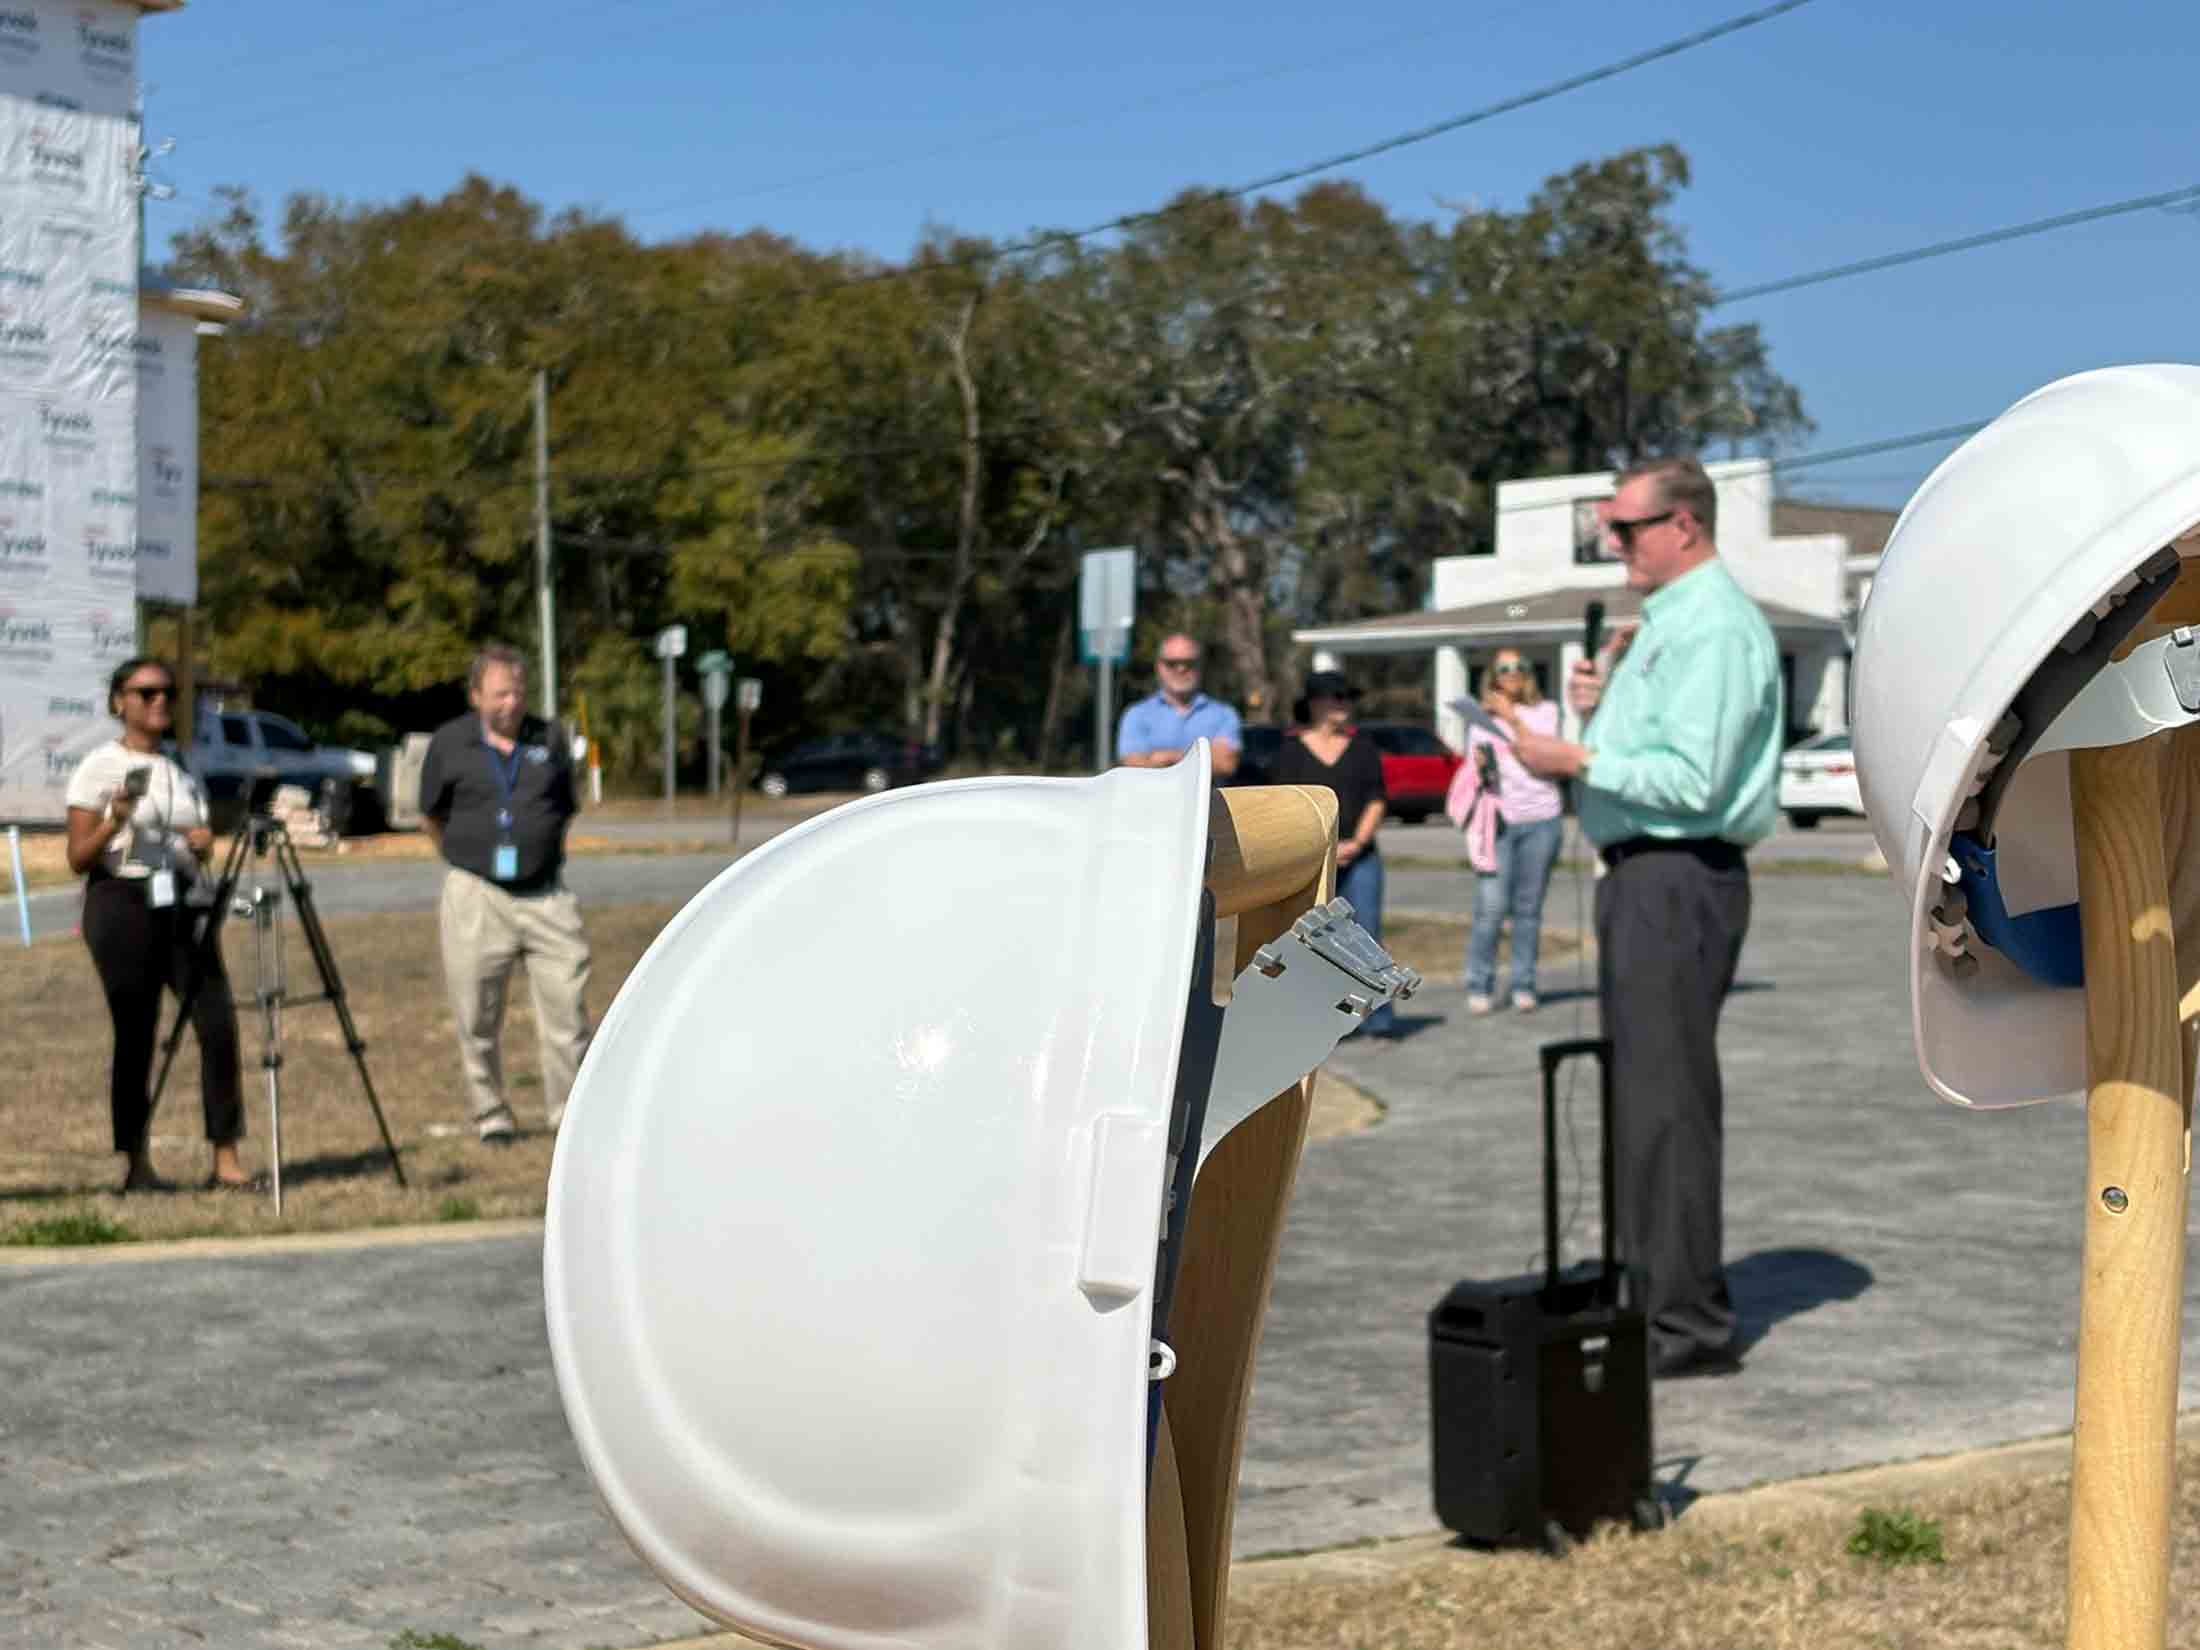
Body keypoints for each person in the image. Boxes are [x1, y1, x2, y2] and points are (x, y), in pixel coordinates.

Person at [1508, 457, 1781, 1380]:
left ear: (1684, 526)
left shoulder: (1711, 628)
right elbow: (1655, 752)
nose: (1612, 544)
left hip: (1677, 874)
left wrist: (1575, 762)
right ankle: (1650, 1292)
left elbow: (1694, 783)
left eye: (1625, 528)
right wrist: (1592, 722)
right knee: (1642, 1095)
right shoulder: (1665, 626)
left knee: (1665, 1101)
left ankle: (1686, 1323)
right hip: (1644, 874)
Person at [63, 656, 253, 1192]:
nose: (159, 702)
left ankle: (226, 1157)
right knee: (137, 1030)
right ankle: (137, 1162)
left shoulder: (180, 764)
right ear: (119, 701)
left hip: (182, 902)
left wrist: (204, 843)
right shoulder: (97, 766)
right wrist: (113, 823)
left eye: (167, 692)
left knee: (217, 1021)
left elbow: (198, 835)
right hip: (121, 901)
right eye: (145, 693)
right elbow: (77, 857)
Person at [419, 644, 593, 1146]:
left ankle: (569, 1116)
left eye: (519, 692)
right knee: (476, 1010)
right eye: (500, 694)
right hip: (477, 893)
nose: (512, 703)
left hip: (545, 895)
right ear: (476, 696)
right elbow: (431, 816)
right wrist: (464, 858)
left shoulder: (550, 738)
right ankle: (490, 1113)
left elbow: (565, 807)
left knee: (567, 1005)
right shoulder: (450, 744)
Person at [1268, 670, 1395, 1038]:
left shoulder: (1363, 748)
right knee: (1317, 940)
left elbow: (1377, 799)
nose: (1343, 705)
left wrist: (1357, 842)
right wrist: (1320, 849)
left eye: (1347, 698)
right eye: (1336, 696)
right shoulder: (1290, 752)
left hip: (1362, 857)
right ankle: (1328, 1021)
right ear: (1315, 702)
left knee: (1367, 935)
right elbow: (1284, 805)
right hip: (1311, 861)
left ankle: (1380, 1019)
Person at [1447, 650, 1565, 1015]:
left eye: (1519, 667)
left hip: (1542, 819)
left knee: (1528, 909)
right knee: (1492, 908)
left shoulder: (1547, 712)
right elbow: (1478, 772)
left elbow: (1546, 757)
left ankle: (1523, 984)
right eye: (1504, 669)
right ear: (1493, 678)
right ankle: (1480, 983)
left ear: (1529, 673)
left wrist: (1512, 719)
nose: (1512, 673)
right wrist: (1481, 767)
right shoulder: (1479, 721)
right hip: (1498, 821)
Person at [1115, 633, 1241, 778]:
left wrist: (1164, 757)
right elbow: (1133, 766)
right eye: (1171, 663)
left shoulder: (1224, 714)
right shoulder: (1136, 715)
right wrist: (1202, 760)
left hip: (1209, 799)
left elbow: (1226, 764)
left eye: (1189, 663)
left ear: (1200, 665)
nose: (1181, 669)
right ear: (1159, 666)